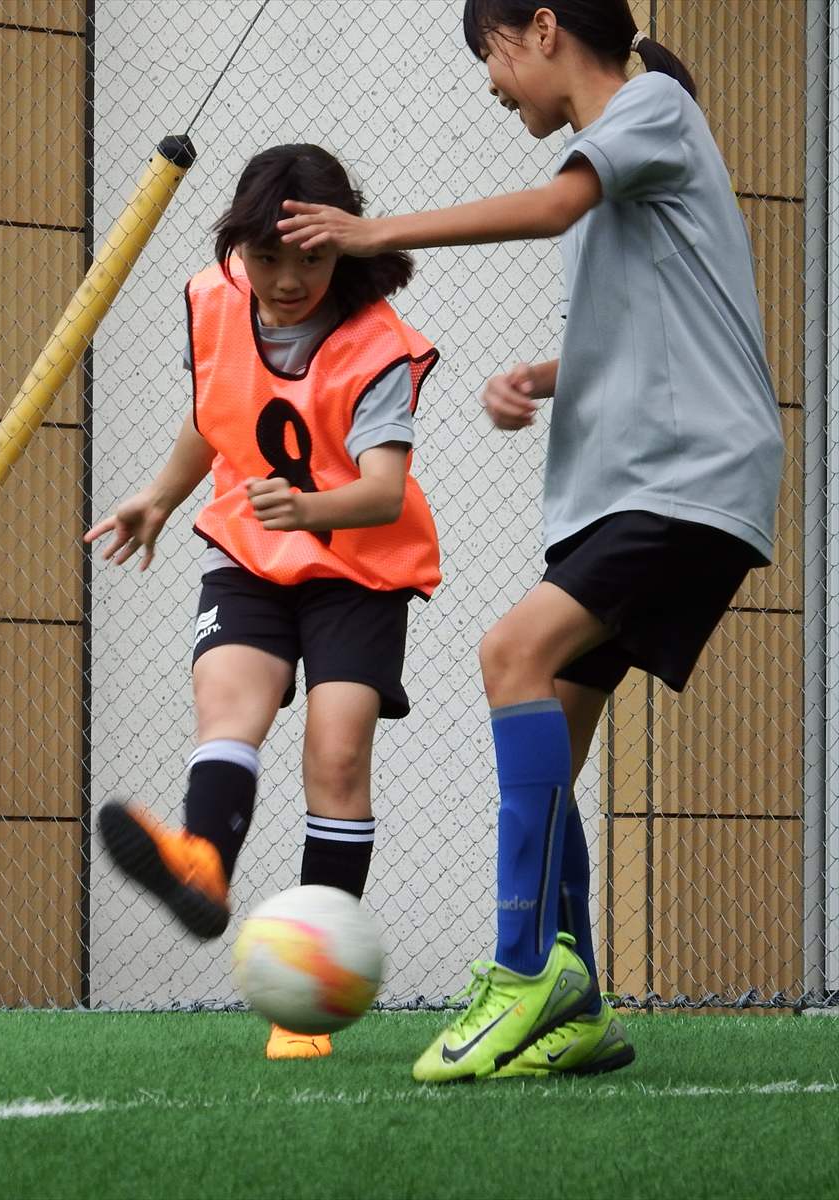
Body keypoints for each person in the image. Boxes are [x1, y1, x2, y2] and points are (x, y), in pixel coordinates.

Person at [279, 0, 782, 1083]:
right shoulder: (639, 144)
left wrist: (370, 232)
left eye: (492, 55)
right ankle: (575, 1000)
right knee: (551, 708)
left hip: (682, 478)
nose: (492, 83)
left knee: (509, 653)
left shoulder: (650, 105)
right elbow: (663, 321)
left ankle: (521, 971)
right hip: (638, 486)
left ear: (543, 28)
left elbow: (553, 208)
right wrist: (542, 376)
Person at [85, 143, 442, 1061]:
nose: (288, 279)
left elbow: (384, 492)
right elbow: (217, 414)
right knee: (226, 705)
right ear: (238, 246)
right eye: (267, 256)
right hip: (250, 553)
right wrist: (160, 497)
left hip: (357, 570)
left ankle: (309, 992)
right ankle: (203, 864)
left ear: (344, 246)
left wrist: (310, 510)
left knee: (337, 752)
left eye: (311, 259)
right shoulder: (216, 300)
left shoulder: (377, 346)